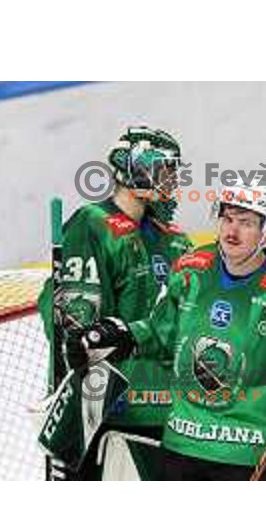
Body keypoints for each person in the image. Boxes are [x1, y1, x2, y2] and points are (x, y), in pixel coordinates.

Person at [67, 184, 266, 481]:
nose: (232, 231)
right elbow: (160, 335)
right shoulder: (191, 270)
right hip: (183, 442)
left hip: (247, 452)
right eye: (227, 219)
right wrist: (120, 336)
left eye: (246, 223)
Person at [37, 126, 193, 480]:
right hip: (107, 413)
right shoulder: (94, 225)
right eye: (162, 170)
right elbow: (77, 325)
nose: (170, 180)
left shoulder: (176, 242)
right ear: (134, 169)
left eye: (174, 172)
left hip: (168, 410)